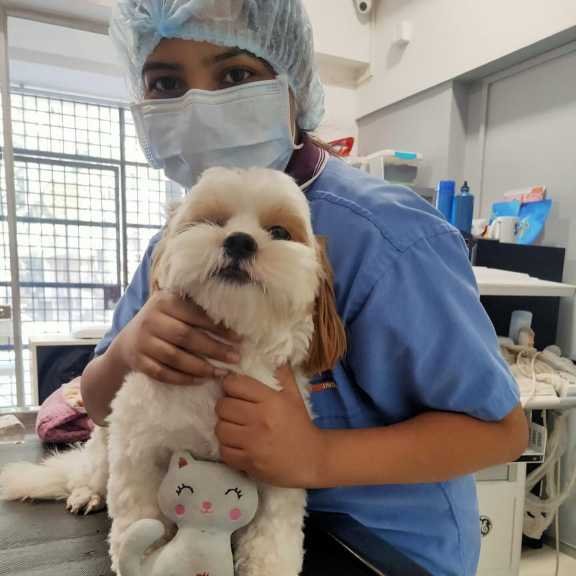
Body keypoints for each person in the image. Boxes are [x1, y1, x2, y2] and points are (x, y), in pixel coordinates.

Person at [81, 1, 528, 574]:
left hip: (379, 551)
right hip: (206, 537)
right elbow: (97, 403)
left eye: (235, 75)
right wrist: (127, 350)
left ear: (293, 90)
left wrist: (317, 456)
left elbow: (502, 432)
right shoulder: (175, 243)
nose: (197, 106)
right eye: (165, 83)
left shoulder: (389, 239)